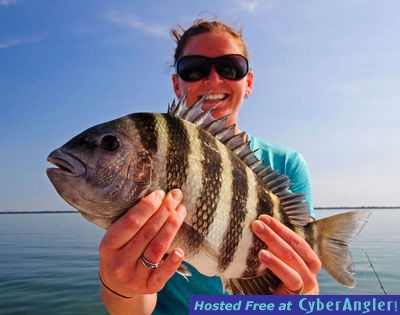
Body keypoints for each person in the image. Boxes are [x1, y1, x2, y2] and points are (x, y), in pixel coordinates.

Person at [98, 19, 321, 315]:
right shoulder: (146, 159)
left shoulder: (286, 164)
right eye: (194, 69)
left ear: (249, 82)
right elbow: (134, 308)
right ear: (177, 84)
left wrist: (298, 293)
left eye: (230, 67)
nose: (213, 79)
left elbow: (307, 288)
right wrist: (121, 286)